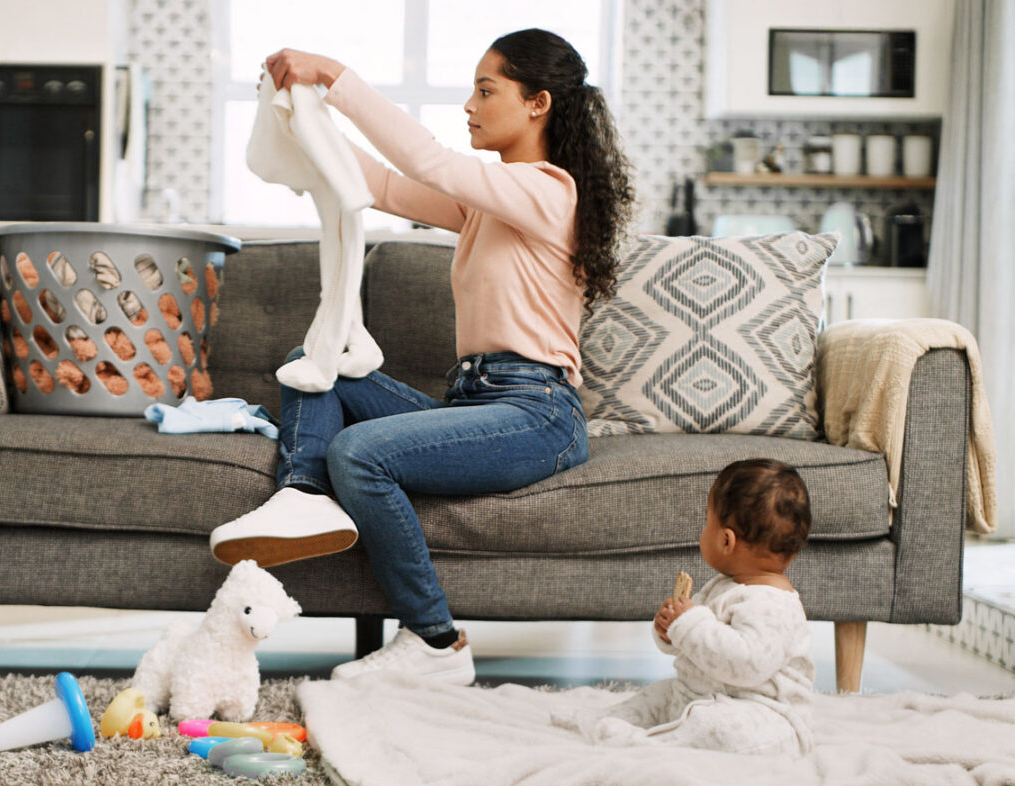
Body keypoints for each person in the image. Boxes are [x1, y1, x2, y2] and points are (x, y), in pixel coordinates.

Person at [208, 28, 635, 685]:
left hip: (538, 415)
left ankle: (436, 642)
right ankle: (302, 497)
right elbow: (380, 183)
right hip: (479, 402)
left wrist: (335, 75)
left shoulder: (550, 192)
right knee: (314, 359)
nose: (469, 104)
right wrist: (302, 119)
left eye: (486, 90)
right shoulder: (489, 204)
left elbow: (428, 162)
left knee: (362, 452)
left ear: (538, 103)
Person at [556, 458, 816, 755]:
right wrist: (671, 631)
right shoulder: (723, 586)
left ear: (726, 541)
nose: (703, 530)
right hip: (702, 694)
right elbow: (698, 645)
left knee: (714, 727)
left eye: (708, 522)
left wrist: (690, 624)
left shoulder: (773, 606)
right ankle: (604, 719)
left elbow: (746, 664)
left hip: (763, 717)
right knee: (659, 695)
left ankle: (649, 746)